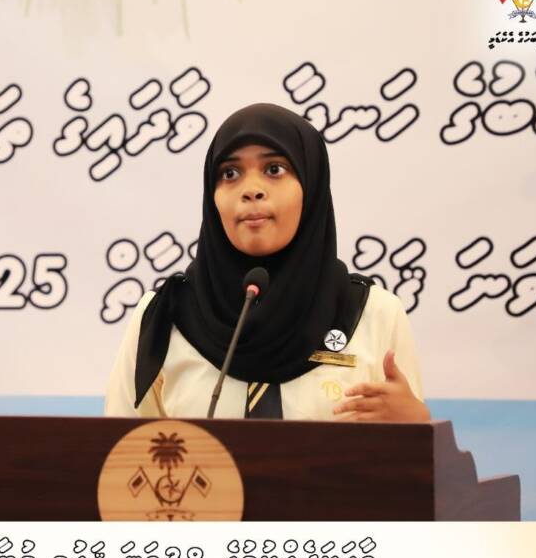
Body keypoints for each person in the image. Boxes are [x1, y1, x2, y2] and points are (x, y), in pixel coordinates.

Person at [104, 103, 430, 422]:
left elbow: (413, 451)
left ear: (311, 185)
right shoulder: (164, 317)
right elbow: (120, 449)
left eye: (274, 169)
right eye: (230, 173)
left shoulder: (375, 314)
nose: (251, 191)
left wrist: (416, 426)